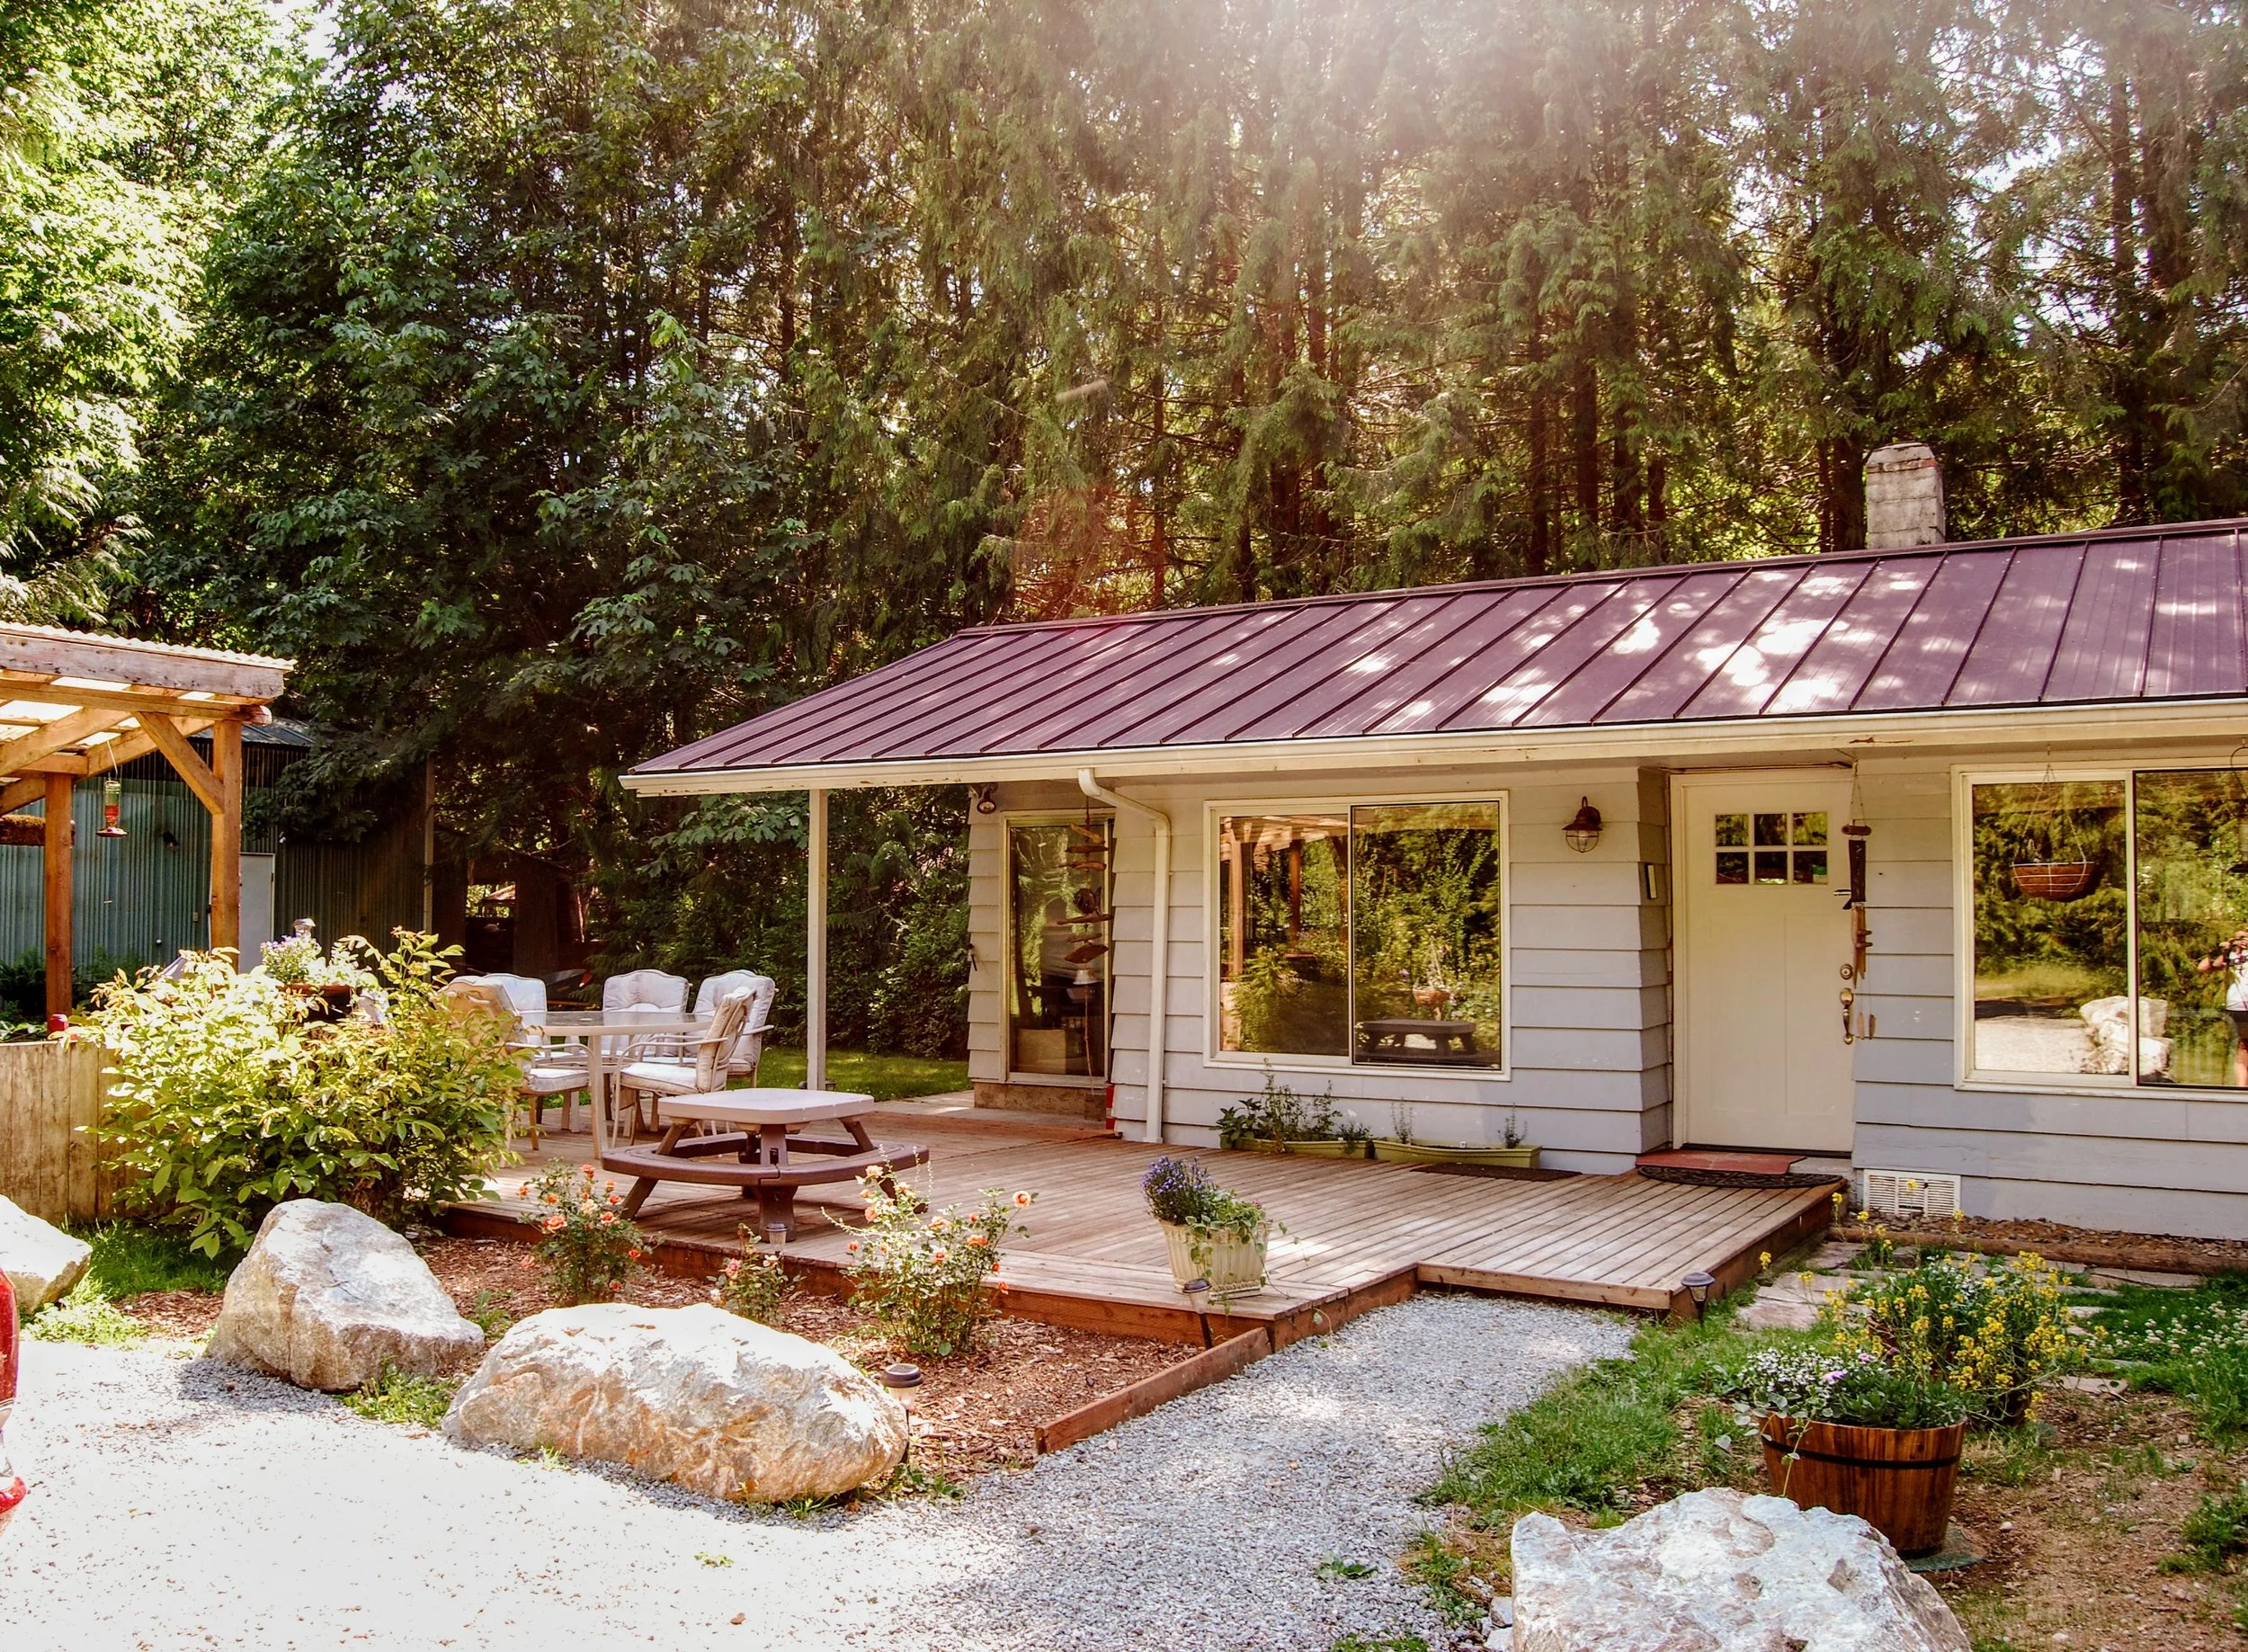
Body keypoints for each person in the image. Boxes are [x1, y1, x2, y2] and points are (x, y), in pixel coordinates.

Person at [2195, 925, 2248, 1086]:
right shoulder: (2230, 955)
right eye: (2238, 938)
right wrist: (2220, 949)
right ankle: (2242, 1088)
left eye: (2244, 937)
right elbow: (2203, 967)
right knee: (2244, 1045)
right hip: (2238, 1005)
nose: (2241, 942)